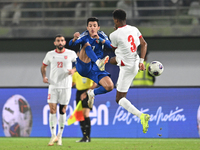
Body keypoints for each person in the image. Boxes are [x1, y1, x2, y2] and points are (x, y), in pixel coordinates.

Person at [109, 9, 150, 133]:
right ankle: (141, 116)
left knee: (119, 99)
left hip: (126, 66)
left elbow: (114, 48)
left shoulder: (114, 35)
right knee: (111, 60)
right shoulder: (134, 29)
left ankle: (141, 116)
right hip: (135, 62)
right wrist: (142, 61)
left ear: (116, 20)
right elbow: (144, 44)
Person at [69, 17, 114, 109]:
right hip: (84, 66)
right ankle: (98, 62)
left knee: (109, 86)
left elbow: (111, 45)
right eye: (90, 26)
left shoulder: (101, 35)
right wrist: (74, 39)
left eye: (94, 26)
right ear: (87, 27)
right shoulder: (84, 35)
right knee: (86, 45)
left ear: (98, 27)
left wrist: (100, 39)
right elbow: (71, 44)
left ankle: (91, 93)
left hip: (96, 69)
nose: (92, 28)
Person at [41, 34, 77, 146]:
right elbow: (43, 66)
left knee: (63, 110)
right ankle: (53, 136)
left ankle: (60, 136)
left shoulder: (71, 53)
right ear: (55, 43)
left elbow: (80, 64)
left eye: (62, 40)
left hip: (66, 86)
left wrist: (74, 70)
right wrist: (44, 77)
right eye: (58, 41)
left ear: (64, 43)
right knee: (52, 109)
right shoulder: (50, 54)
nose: (60, 42)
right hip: (53, 85)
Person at [72, 67, 97, 142]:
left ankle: (88, 137)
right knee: (80, 116)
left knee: (85, 114)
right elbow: (72, 83)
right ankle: (84, 137)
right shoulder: (76, 74)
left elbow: (95, 84)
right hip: (78, 93)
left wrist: (86, 92)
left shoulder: (89, 72)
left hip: (88, 93)